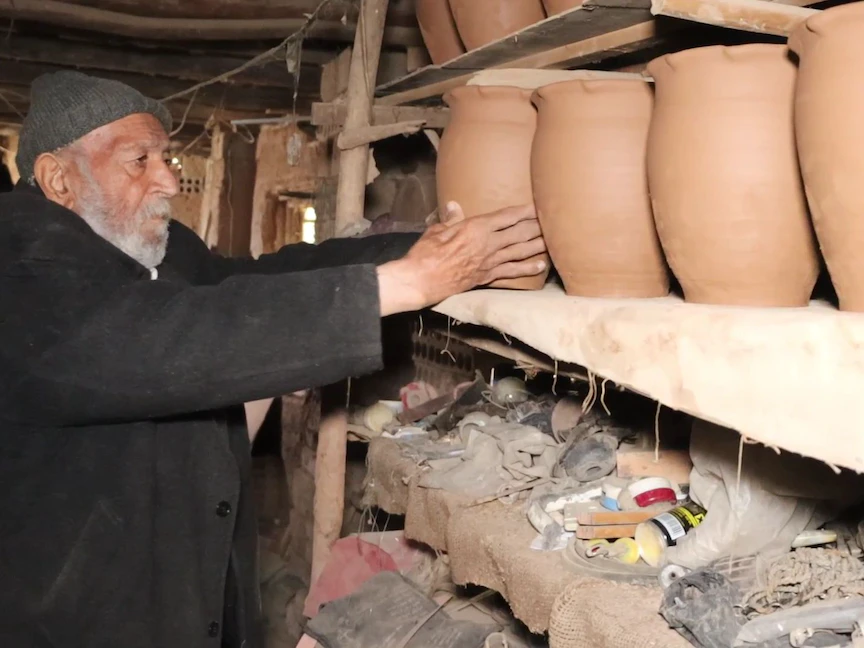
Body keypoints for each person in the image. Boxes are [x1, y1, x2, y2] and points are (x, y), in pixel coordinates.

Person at [0, 71, 547, 648]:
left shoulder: (148, 247)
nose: (168, 181)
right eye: (140, 160)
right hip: (78, 611)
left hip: (174, 578)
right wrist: (401, 285)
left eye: (166, 158)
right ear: (58, 179)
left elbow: (258, 280)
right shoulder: (20, 269)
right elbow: (170, 335)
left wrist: (418, 250)